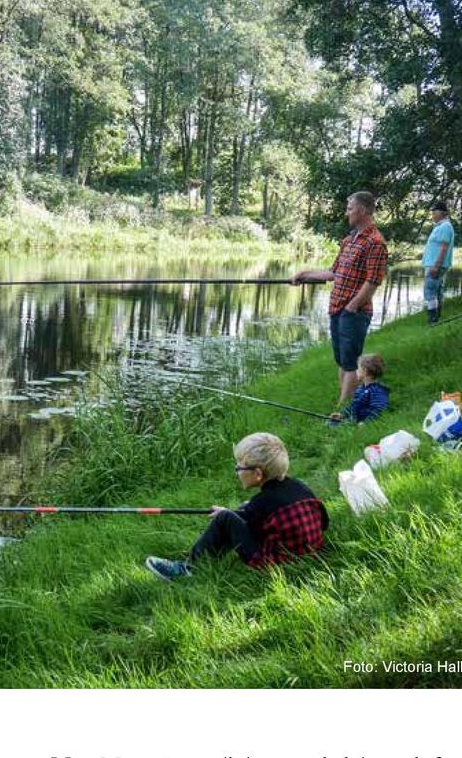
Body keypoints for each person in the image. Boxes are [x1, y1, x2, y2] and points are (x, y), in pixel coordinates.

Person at [145, 432, 329, 580]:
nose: (237, 471)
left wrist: (226, 515)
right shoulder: (301, 488)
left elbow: (245, 524)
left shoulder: (261, 503)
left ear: (257, 474)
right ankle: (205, 557)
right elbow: (324, 522)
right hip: (311, 554)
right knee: (239, 510)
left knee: (225, 519)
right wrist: (242, 511)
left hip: (277, 567)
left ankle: (188, 568)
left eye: (239, 467)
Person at [292, 191, 389, 409]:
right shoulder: (349, 240)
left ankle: (342, 410)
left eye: (350, 208)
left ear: (363, 211)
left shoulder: (375, 242)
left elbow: (373, 281)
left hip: (353, 313)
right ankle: (344, 403)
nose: (347, 213)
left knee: (350, 362)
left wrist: (352, 307)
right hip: (337, 309)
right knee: (342, 361)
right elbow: (333, 273)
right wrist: (304, 274)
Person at [329, 354, 389, 423]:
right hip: (354, 420)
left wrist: (366, 423)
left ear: (365, 371)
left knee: (334, 425)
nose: (356, 370)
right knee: (331, 422)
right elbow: (354, 405)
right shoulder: (361, 389)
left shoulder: (378, 391)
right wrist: (342, 414)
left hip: (362, 422)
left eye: (358, 368)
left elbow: (378, 410)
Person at [422, 200, 455, 323]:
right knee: (437, 291)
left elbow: (444, 247)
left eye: (434, 212)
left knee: (430, 291)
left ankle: (432, 320)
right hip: (433, 264)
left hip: (435, 265)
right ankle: (436, 317)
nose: (432, 215)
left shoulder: (445, 226)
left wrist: (436, 265)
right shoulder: (441, 226)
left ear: (441, 213)